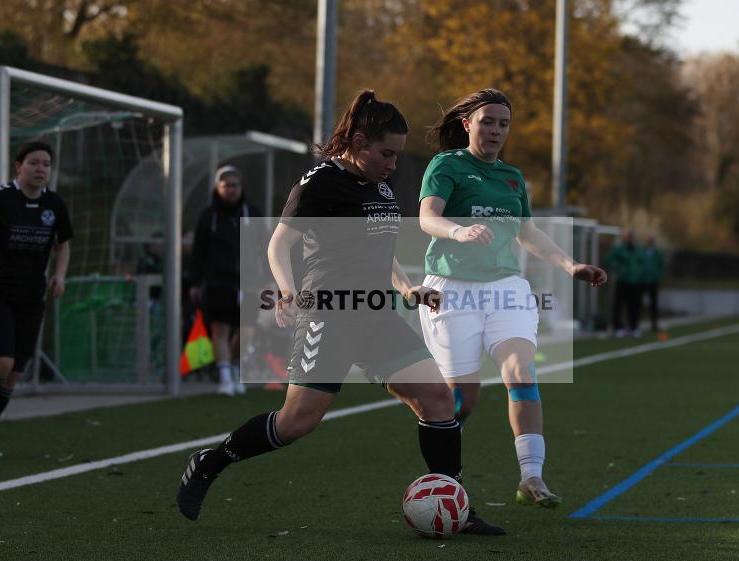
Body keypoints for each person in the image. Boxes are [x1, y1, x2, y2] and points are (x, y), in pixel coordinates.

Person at [176, 90, 504, 534]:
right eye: (386, 154)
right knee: (296, 422)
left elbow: (382, 250)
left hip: (376, 315)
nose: (393, 164)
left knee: (438, 399)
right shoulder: (318, 184)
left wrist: (407, 288)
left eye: (397, 155)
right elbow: (278, 244)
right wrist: (287, 291)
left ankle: (455, 506)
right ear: (359, 142)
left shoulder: (379, 184)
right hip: (328, 315)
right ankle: (211, 462)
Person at [417, 88, 607, 509]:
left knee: (521, 372)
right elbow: (428, 216)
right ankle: (442, 480)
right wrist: (458, 231)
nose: (496, 130)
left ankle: (532, 477)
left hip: (505, 289)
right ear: (467, 124)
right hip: (451, 290)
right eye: (487, 121)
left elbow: (527, 232)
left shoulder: (512, 177)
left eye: (503, 124)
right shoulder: (447, 165)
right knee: (462, 401)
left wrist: (570, 265)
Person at [0, 140, 73, 457]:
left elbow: (63, 244)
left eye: (46, 164)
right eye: (34, 163)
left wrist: (60, 275)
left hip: (30, 300)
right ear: (19, 167)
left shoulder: (54, 204)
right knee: (0, 362)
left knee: (12, 375)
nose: (40, 169)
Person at [190, 165, 261, 396]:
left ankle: (235, 366)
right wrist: (195, 282)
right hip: (218, 281)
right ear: (217, 188)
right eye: (226, 185)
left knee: (246, 331)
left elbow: (266, 247)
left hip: (248, 283)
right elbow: (198, 252)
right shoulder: (208, 216)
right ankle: (224, 377)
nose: (230, 189)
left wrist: (269, 279)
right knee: (220, 328)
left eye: (234, 185)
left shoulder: (252, 212)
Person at [606, 230, 643, 338]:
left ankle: (634, 328)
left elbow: (643, 263)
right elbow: (609, 260)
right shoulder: (619, 249)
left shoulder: (638, 250)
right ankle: (618, 328)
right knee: (618, 305)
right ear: (625, 238)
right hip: (622, 282)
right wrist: (618, 267)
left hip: (635, 282)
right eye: (628, 237)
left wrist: (639, 273)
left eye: (631, 237)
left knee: (634, 306)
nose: (630, 239)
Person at [639, 235, 665, 333]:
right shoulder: (641, 252)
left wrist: (658, 277)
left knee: (654, 303)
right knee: (638, 303)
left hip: (653, 281)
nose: (649, 243)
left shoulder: (658, 253)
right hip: (642, 281)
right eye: (648, 241)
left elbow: (662, 266)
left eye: (651, 241)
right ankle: (636, 323)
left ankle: (654, 324)